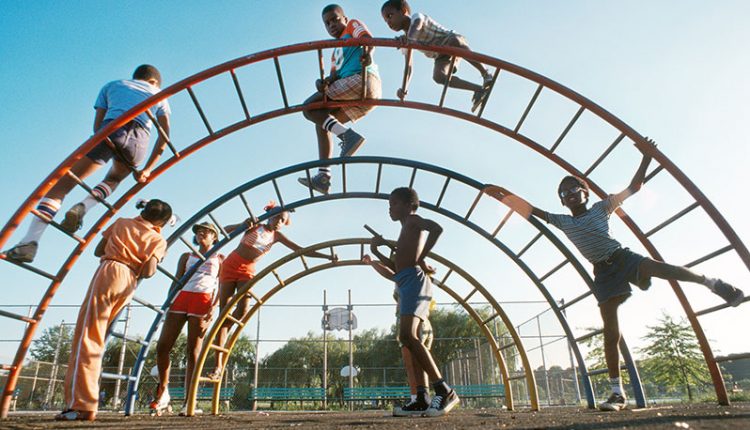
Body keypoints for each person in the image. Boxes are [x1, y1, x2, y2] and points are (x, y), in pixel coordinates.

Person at [483, 138, 745, 412]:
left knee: (661, 267)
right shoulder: (564, 221)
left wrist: (647, 156)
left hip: (622, 258)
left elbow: (634, 188)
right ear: (562, 201)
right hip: (603, 273)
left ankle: (712, 283)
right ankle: (617, 393)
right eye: (564, 194)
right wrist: (502, 194)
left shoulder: (601, 208)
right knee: (610, 332)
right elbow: (530, 211)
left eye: (574, 189)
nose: (570, 194)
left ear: (585, 192)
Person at [5, 65, 171, 263]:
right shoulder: (159, 94)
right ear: (154, 82)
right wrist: (148, 169)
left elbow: (97, 125)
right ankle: (83, 206)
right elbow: (165, 136)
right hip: (139, 141)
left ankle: (29, 242)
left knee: (62, 185)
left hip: (112, 129)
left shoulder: (113, 85)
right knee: (114, 178)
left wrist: (103, 142)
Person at [55, 199, 171, 421]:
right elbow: (148, 271)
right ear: (162, 223)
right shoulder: (158, 239)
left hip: (110, 270)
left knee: (87, 337)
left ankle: (81, 404)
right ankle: (85, 402)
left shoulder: (121, 223)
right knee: (98, 337)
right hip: (129, 281)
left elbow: (99, 251)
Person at [212, 203, 338, 377]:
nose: (279, 222)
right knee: (223, 311)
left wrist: (327, 256)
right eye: (277, 217)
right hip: (230, 265)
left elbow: (300, 250)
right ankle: (217, 366)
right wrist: (242, 225)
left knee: (241, 311)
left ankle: (223, 327)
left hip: (247, 270)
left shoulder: (276, 236)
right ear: (269, 216)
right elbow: (225, 231)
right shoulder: (255, 225)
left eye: (282, 220)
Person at [368, 187, 459, 417]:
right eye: (389, 205)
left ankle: (444, 390)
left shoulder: (413, 221)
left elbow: (437, 228)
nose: (390, 208)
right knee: (407, 338)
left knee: (408, 335)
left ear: (409, 205)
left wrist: (421, 257)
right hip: (405, 279)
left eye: (394, 204)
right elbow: (395, 268)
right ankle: (421, 398)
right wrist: (376, 251)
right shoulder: (404, 231)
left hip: (414, 280)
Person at [298, 4, 382, 195]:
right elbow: (333, 79)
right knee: (321, 122)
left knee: (308, 107)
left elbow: (368, 39)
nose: (332, 25)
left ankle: (348, 136)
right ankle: (323, 177)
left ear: (345, 19)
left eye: (335, 19)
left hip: (362, 80)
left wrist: (367, 54)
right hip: (358, 94)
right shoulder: (336, 52)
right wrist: (323, 83)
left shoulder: (352, 26)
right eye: (327, 23)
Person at [151, 222, 223, 416]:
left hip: (202, 300)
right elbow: (176, 279)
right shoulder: (187, 255)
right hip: (181, 298)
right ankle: (163, 392)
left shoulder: (219, 258)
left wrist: (213, 308)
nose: (201, 232)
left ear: (214, 236)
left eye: (207, 231)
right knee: (163, 346)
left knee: (193, 351)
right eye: (199, 230)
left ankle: (189, 400)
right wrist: (167, 303)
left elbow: (221, 286)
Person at [381, 0, 493, 112]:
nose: (389, 23)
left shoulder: (417, 18)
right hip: (441, 56)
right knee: (438, 76)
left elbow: (417, 26)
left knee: (455, 41)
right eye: (385, 21)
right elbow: (408, 67)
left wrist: (408, 40)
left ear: (403, 11)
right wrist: (404, 88)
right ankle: (479, 90)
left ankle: (485, 73)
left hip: (450, 41)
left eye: (390, 16)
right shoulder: (406, 41)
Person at [362, 252, 435, 417]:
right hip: (406, 318)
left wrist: (374, 259)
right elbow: (391, 271)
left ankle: (424, 397)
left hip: (415, 318)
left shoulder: (414, 276)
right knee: (411, 362)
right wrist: (374, 259)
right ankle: (417, 398)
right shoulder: (407, 277)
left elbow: (391, 273)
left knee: (417, 360)